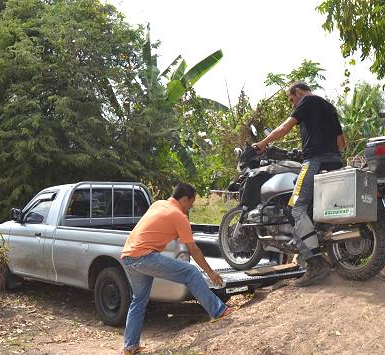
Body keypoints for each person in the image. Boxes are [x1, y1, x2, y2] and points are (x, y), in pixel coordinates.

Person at [121, 183, 234, 355]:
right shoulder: (179, 216)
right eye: (191, 202)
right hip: (144, 257)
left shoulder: (158, 204)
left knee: (139, 300)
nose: (191, 206)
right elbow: (193, 249)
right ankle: (218, 311)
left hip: (128, 257)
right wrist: (211, 273)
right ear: (184, 199)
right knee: (191, 272)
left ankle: (130, 347)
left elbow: (159, 228)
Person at [254, 81, 346, 287]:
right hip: (334, 162)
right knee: (314, 210)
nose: (292, 103)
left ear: (297, 92)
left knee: (295, 209)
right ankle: (320, 249)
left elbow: (285, 127)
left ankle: (315, 263)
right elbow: (342, 142)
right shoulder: (328, 106)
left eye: (291, 99)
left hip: (315, 162)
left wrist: (262, 144)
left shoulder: (306, 101)